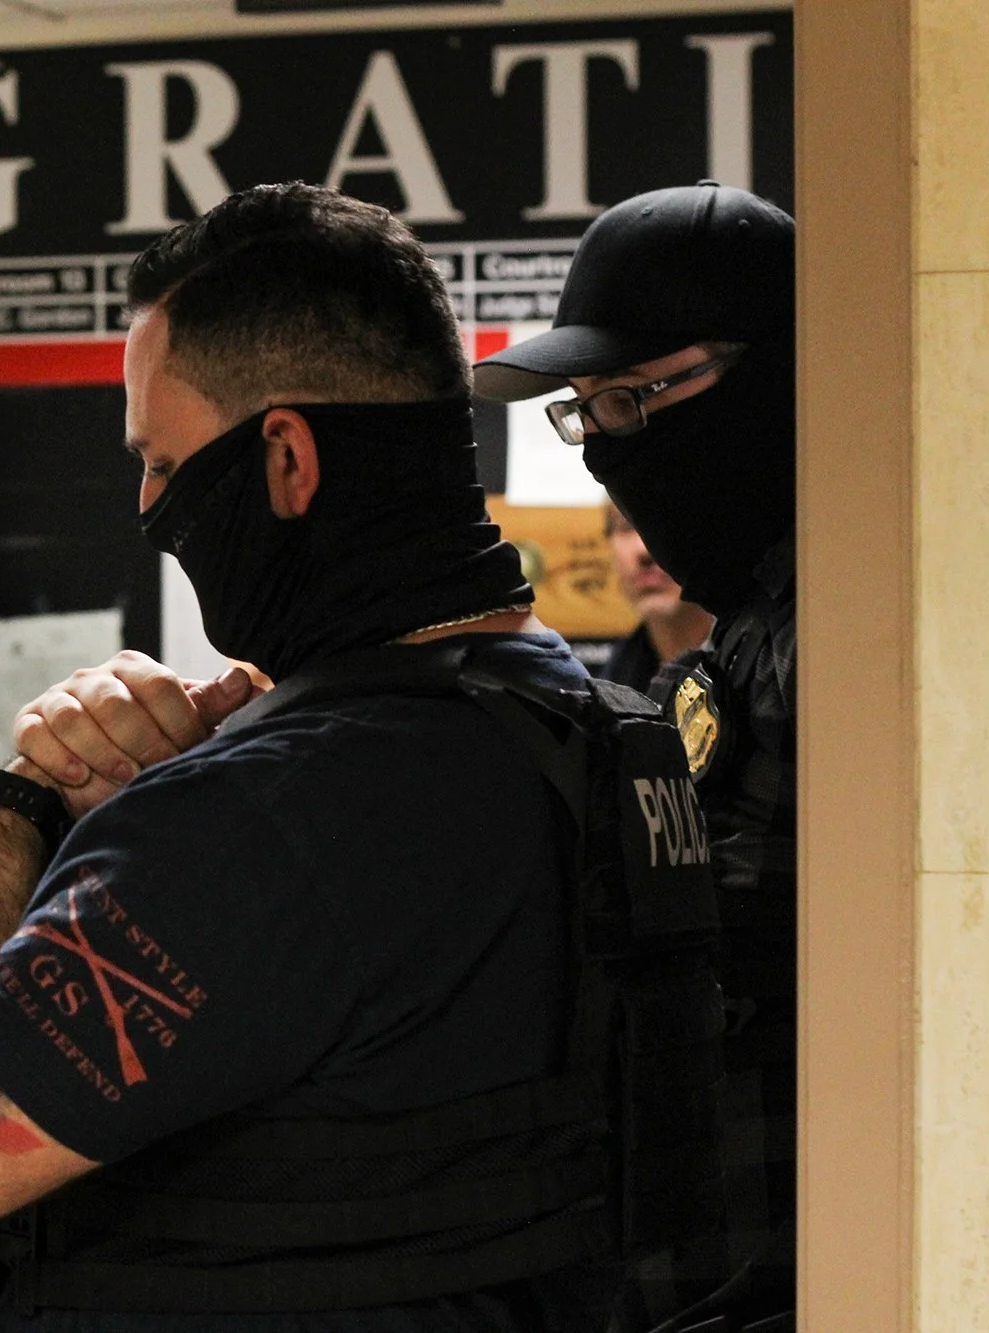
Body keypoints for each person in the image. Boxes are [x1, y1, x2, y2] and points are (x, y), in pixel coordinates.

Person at [0, 184, 709, 1331]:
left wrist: (18, 805)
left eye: (159, 459)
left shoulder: (262, 815)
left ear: (285, 459)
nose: (148, 501)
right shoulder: (603, 735)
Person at [473, 181, 797, 1332]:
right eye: (587, 413)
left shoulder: (863, 640)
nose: (610, 452)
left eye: (632, 402)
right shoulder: (740, 639)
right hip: (683, 1271)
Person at [599, 498, 713, 699]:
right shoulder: (615, 682)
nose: (644, 550)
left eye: (664, 524)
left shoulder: (761, 672)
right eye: (625, 527)